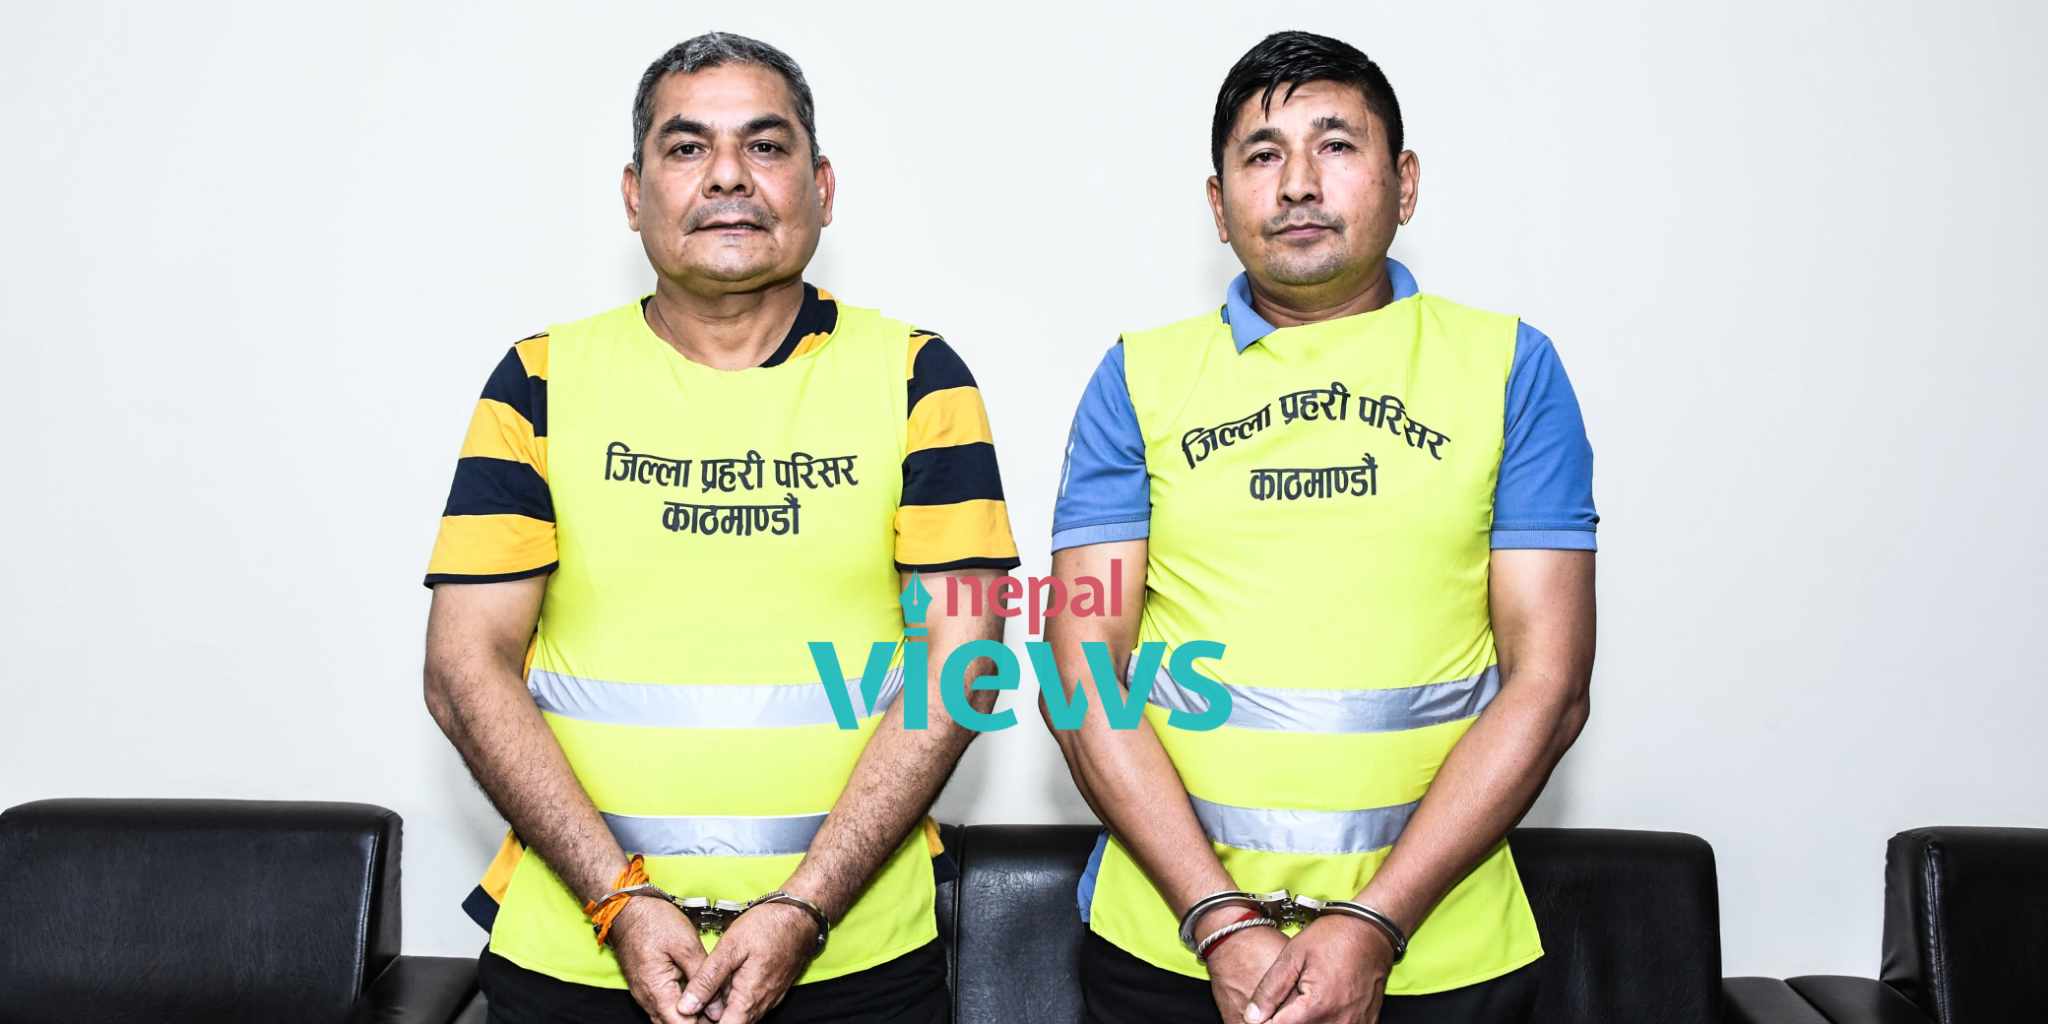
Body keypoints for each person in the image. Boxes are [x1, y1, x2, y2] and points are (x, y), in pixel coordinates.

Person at [421, 32, 1019, 1024]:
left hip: (851, 963)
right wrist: (618, 900)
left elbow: (961, 667)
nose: (729, 175)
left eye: (766, 146)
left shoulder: (921, 378)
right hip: (578, 958)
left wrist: (803, 906)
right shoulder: (537, 380)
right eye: (687, 146)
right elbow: (462, 668)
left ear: (822, 188)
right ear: (634, 193)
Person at [1044, 30, 1599, 1024]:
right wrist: (1218, 921)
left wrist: (1373, 924)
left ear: (1404, 183)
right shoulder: (1136, 377)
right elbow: (1079, 673)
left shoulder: (1510, 368)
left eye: (1335, 145)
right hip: (1171, 951)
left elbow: (1548, 687)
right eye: (1262, 156)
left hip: (1438, 956)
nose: (1297, 183)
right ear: (1218, 205)